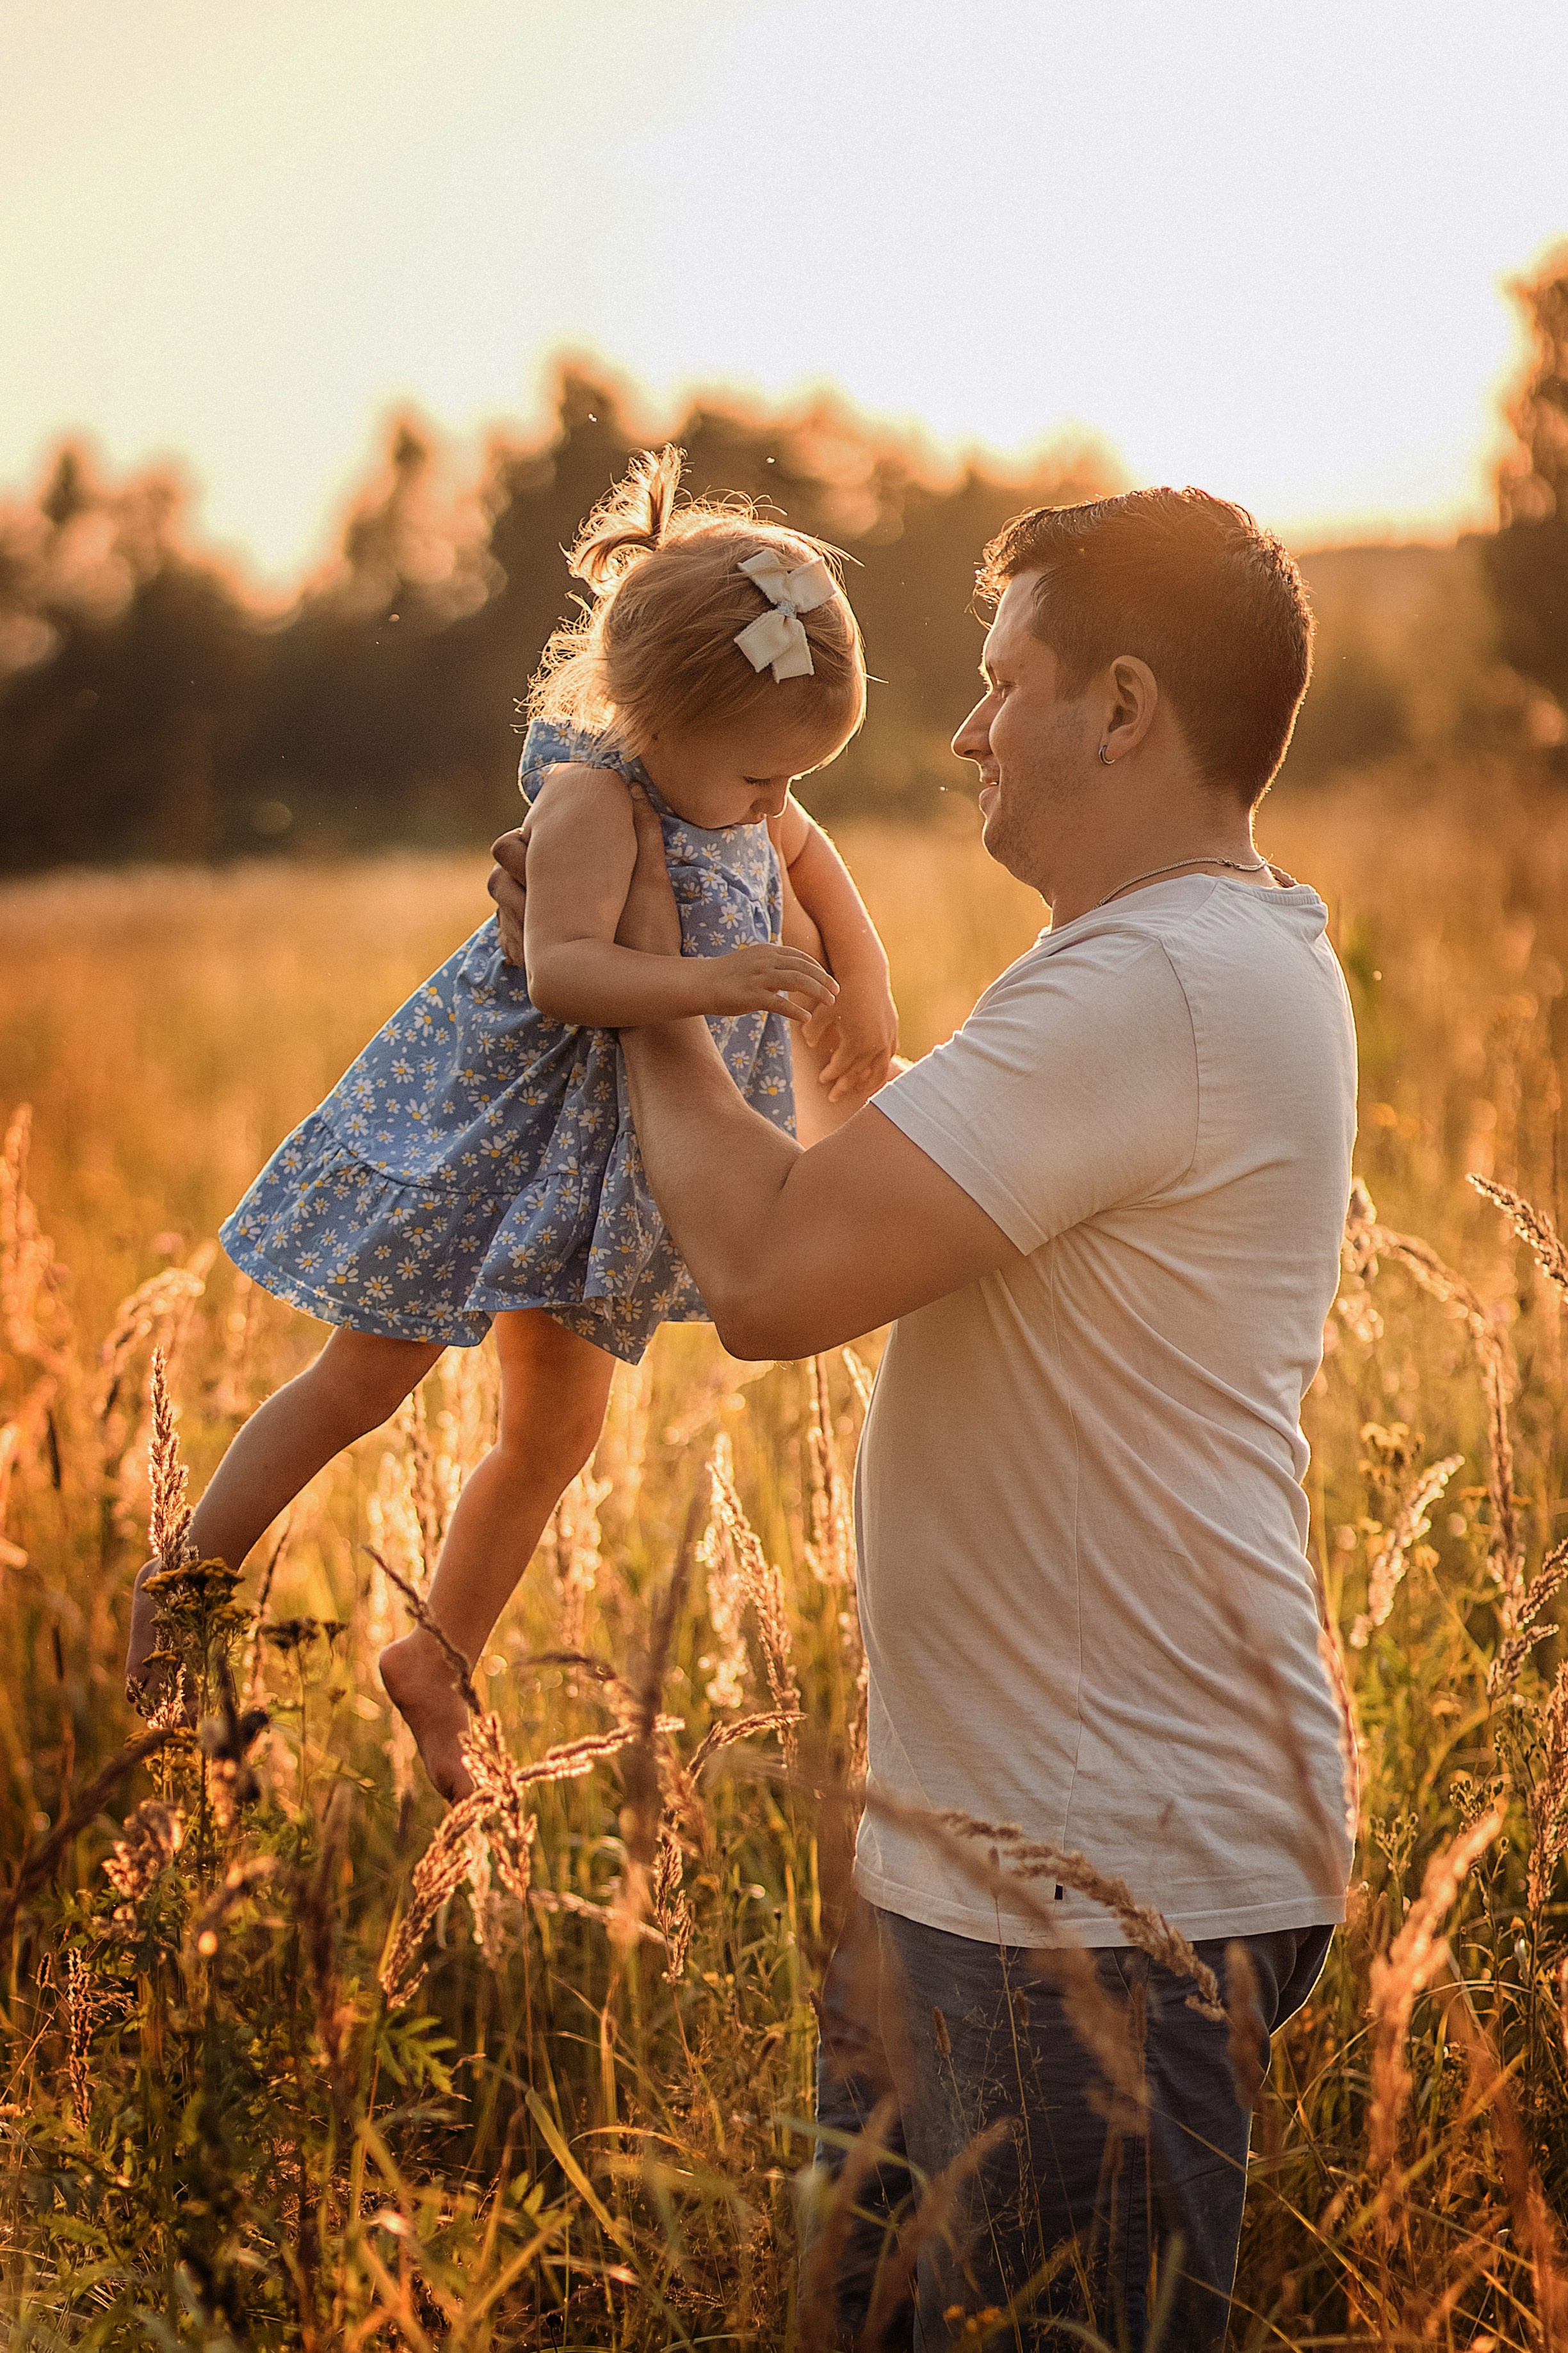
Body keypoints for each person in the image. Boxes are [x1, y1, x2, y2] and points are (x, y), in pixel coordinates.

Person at [489, 486, 1357, 2348]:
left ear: (1121, 708)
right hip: (988, 1861)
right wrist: (779, 978)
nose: (965, 731)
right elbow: (871, 1196)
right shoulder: (1171, 959)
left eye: (1002, 680)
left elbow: (771, 1276)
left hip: (1089, 1891)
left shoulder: (1155, 982)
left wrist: (643, 978)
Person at [124, 447, 898, 1802]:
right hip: (501, 1142)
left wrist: (864, 974)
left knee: (556, 1432)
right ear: (656, 716)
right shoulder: (596, 796)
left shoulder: (742, 784)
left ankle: (438, 1656)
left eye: (796, 778)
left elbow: (807, 858)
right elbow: (562, 972)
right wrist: (715, 980)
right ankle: (185, 1581)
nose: (779, 806)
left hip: (603, 1176)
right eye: (764, 778)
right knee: (363, 1382)